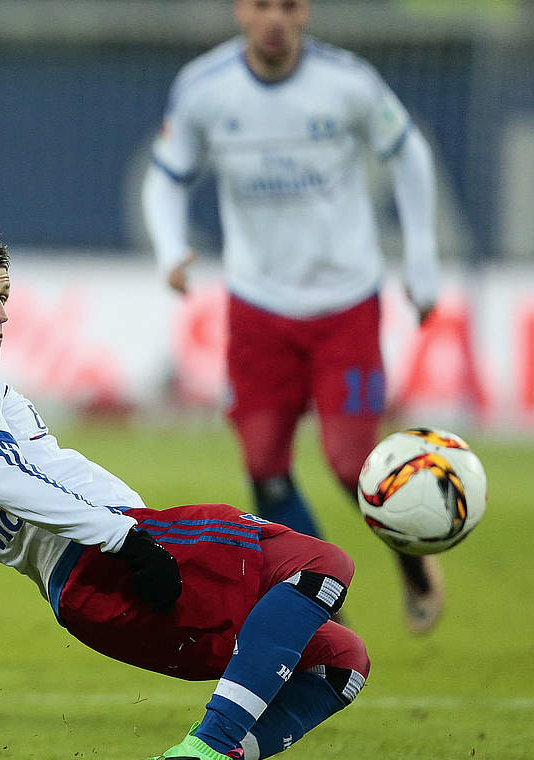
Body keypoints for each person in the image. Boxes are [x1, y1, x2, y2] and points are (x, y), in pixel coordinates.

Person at [0, 228, 369, 760]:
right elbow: (1, 478)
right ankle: (208, 749)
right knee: (323, 564)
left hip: (87, 606)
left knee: (339, 661)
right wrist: (126, 538)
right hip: (124, 553)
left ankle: (219, 754)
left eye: (4, 297)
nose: (2, 313)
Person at [140, 0, 445, 633]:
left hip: (345, 306)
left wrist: (420, 257)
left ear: (305, 12)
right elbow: (165, 177)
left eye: (287, 4)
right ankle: (319, 595)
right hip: (257, 308)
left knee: (348, 465)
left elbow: (408, 153)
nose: (273, 17)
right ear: (238, 11)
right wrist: (170, 250)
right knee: (263, 466)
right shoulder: (204, 88)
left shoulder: (348, 82)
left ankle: (413, 561)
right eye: (260, 4)